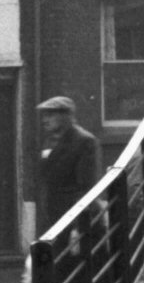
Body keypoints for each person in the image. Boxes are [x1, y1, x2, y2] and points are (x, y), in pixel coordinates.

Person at [34, 96, 103, 237]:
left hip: (75, 222)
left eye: (51, 115)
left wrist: (77, 228)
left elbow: (86, 187)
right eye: (44, 115)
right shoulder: (49, 140)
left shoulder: (84, 141)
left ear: (66, 116)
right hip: (53, 220)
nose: (45, 120)